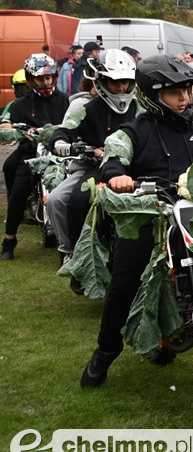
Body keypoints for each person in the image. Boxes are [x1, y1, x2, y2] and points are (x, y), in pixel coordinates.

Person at [80, 55, 193, 386]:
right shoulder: (134, 130)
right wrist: (117, 176)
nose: (184, 99)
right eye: (175, 93)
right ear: (153, 97)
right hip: (149, 215)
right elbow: (113, 157)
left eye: (187, 90)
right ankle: (104, 353)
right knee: (123, 286)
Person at [49, 50, 139, 289]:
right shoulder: (84, 106)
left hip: (130, 169)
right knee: (65, 200)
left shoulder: (140, 107)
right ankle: (77, 257)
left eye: (126, 82)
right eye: (115, 82)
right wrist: (62, 144)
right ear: (100, 81)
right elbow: (63, 131)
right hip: (92, 169)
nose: (121, 88)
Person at [1, 54, 70, 259]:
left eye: (49, 77)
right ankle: (9, 240)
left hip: (61, 154)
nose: (46, 82)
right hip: (31, 153)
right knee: (19, 190)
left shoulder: (65, 99)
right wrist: (16, 130)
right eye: (41, 79)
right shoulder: (20, 104)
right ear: (31, 79)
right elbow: (12, 127)